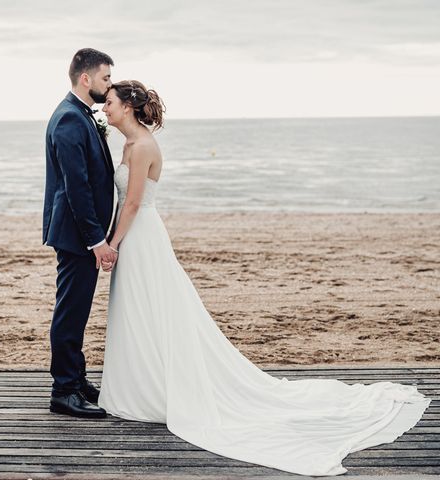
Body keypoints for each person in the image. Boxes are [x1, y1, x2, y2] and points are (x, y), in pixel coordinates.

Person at [97, 80, 431, 476]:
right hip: (135, 234)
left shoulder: (145, 146)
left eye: (111, 103)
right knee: (138, 311)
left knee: (152, 307)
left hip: (141, 236)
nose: (106, 110)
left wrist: (113, 243)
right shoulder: (128, 144)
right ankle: (142, 383)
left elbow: (134, 202)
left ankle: (156, 389)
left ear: (129, 107)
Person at [43, 48, 117, 419]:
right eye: (106, 77)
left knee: (77, 309)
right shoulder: (70, 119)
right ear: (85, 79)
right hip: (76, 236)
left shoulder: (78, 115)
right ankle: (64, 391)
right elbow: (77, 188)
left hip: (78, 233)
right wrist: (97, 240)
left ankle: (77, 378)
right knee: (70, 312)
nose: (110, 84)